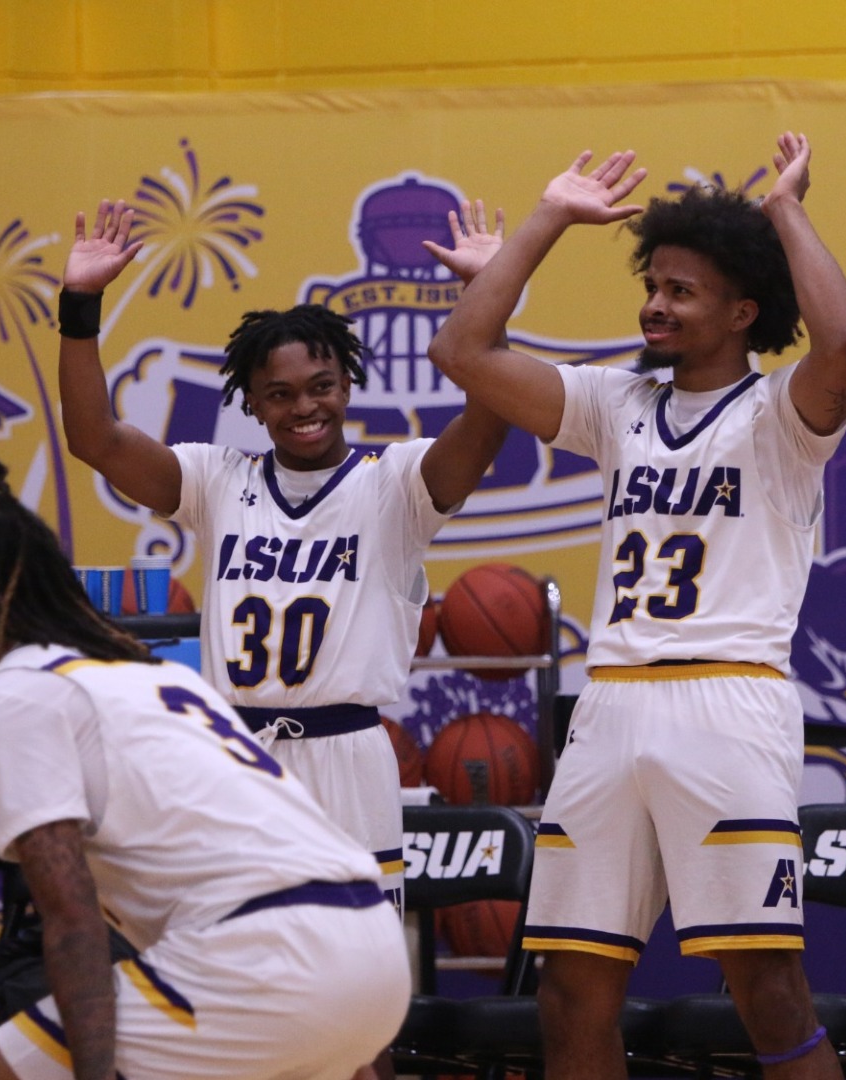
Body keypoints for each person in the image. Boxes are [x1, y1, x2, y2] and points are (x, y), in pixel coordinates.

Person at [427, 133, 846, 1080]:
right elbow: (462, 348)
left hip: (728, 705)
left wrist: (784, 210)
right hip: (611, 708)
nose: (655, 304)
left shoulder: (783, 418)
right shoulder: (613, 404)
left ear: (743, 311)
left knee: (768, 989)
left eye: (682, 291)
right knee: (567, 991)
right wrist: (545, 219)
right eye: (653, 284)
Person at [0, 444, 407, 1080]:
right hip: (373, 958)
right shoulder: (159, 679)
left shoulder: (10, 698)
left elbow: (72, 921)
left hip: (265, 956)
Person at [56, 198, 511, 912]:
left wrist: (487, 295)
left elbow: (488, 421)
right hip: (239, 752)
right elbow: (96, 440)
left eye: (321, 387)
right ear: (255, 406)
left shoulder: (394, 487)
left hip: (349, 753)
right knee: (240, 964)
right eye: (281, 394)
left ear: (348, 386)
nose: (305, 406)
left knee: (354, 977)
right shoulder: (217, 481)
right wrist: (80, 305)